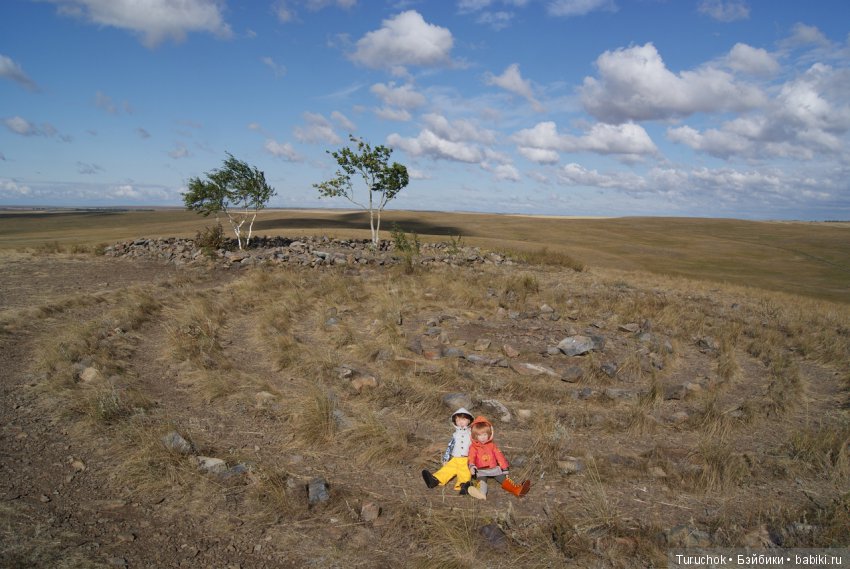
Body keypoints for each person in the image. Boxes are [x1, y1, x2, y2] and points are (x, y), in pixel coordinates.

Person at [466, 416, 530, 500]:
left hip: (494, 468)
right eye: (479, 435)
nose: (483, 437)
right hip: (481, 470)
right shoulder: (473, 447)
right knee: (482, 482)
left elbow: (499, 456)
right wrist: (471, 466)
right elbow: (471, 457)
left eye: (485, 434)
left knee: (503, 479)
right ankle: (482, 494)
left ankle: (516, 490)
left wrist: (504, 468)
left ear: (489, 434)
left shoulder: (492, 445)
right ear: (474, 436)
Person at [422, 408, 475, 494]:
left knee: (464, 472)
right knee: (447, 469)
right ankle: (435, 480)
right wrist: (446, 459)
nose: (460, 422)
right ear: (455, 422)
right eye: (458, 420)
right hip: (455, 458)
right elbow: (450, 446)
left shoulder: (471, 434)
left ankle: (464, 486)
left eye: (463, 419)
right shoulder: (455, 434)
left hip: (466, 459)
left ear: (469, 420)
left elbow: (476, 446)